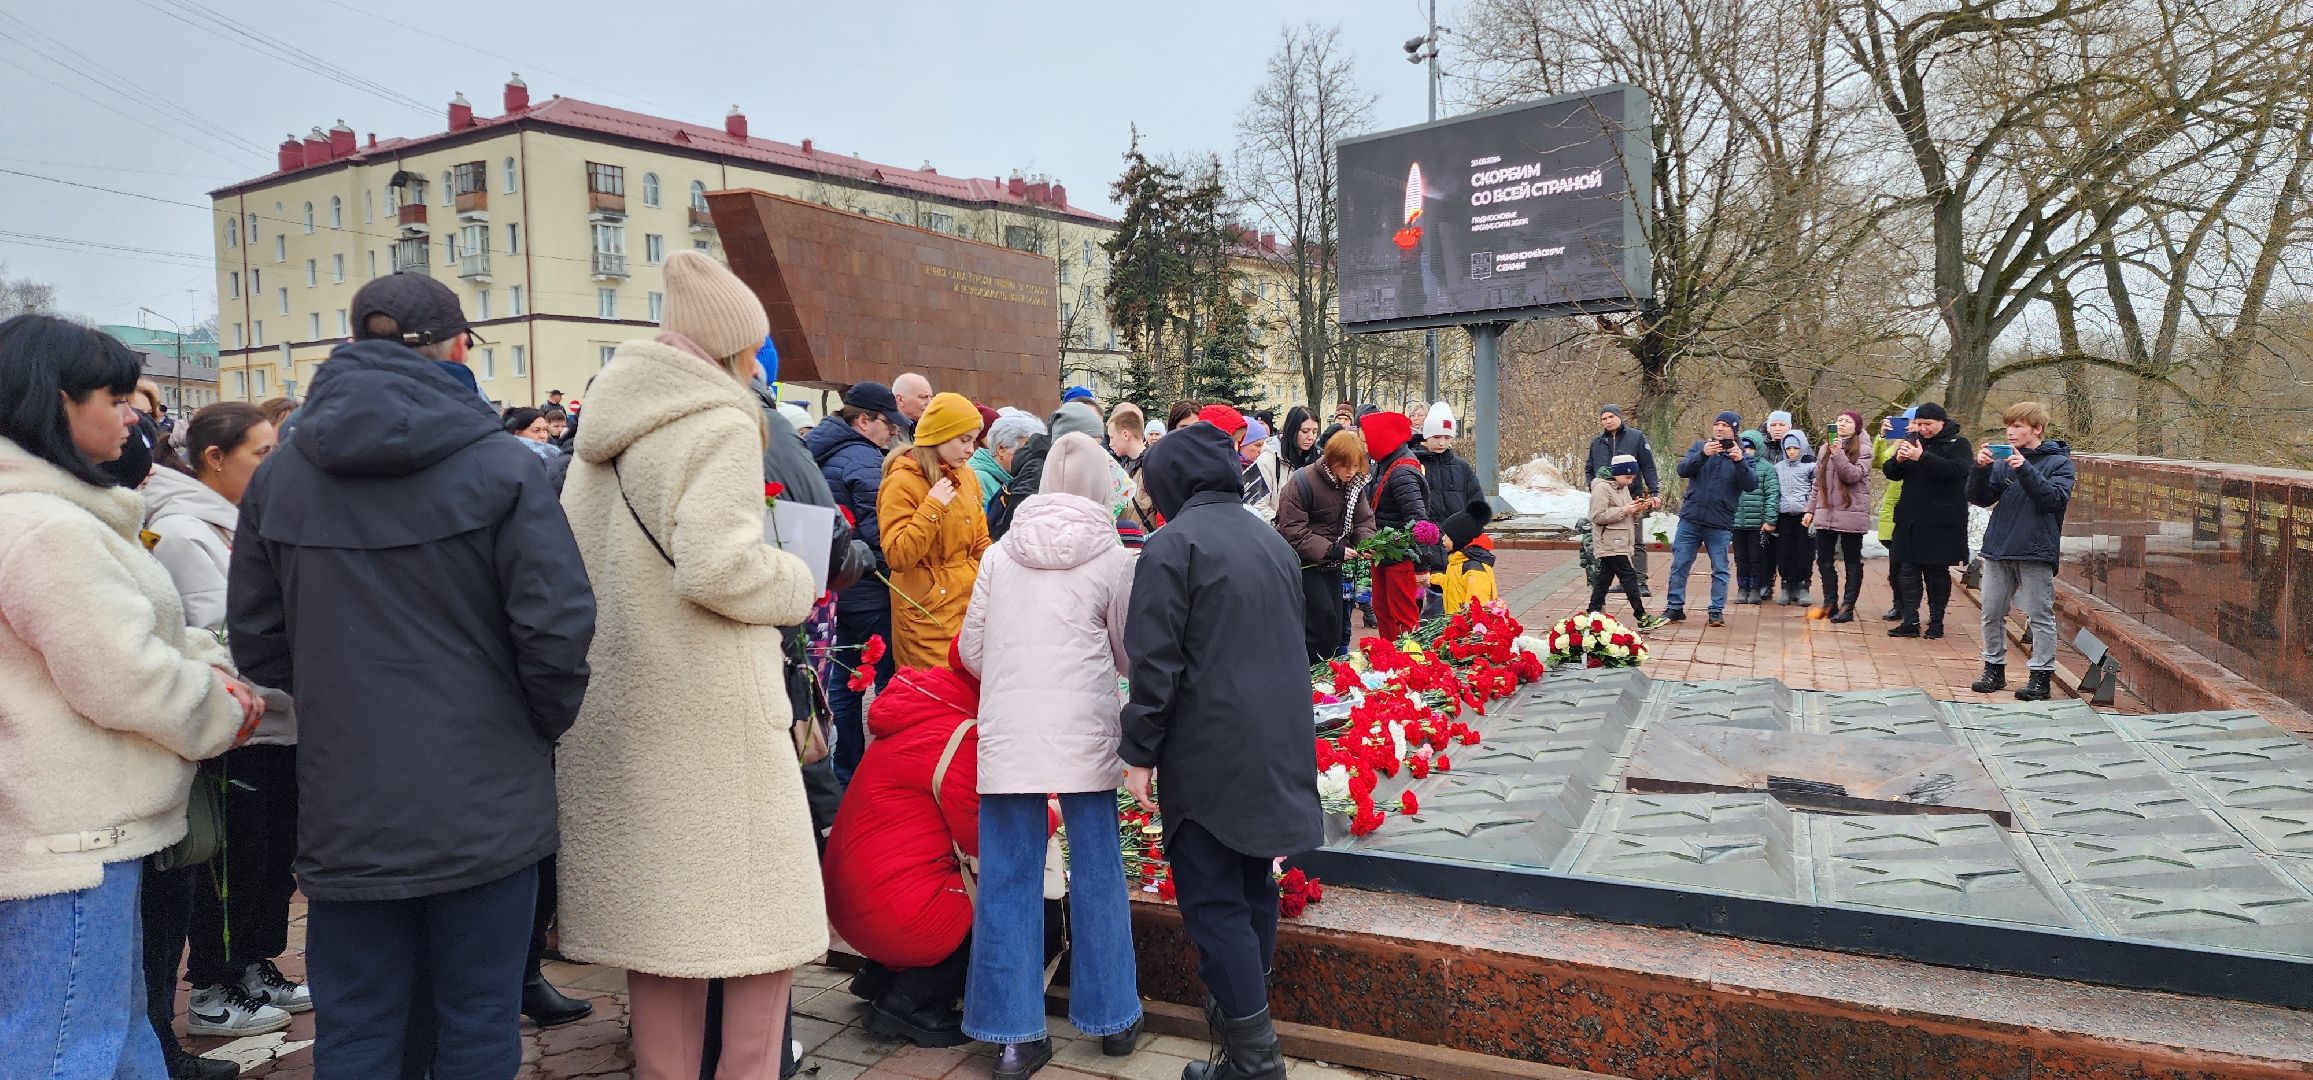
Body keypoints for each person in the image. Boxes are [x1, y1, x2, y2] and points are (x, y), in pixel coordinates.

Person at [227, 275, 595, 1078]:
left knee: (358, 1025)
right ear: (458, 347)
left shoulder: (279, 477)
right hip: (484, 792)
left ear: (352, 343)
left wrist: (343, 691)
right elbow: (557, 632)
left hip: (348, 793)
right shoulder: (504, 467)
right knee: (476, 1019)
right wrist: (529, 724)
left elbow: (257, 645)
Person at [556, 252, 820, 1079]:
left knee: (663, 936)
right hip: (713, 714)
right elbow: (719, 569)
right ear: (737, 347)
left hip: (624, 704)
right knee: (759, 930)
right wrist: (796, 577)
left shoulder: (604, 431)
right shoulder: (720, 422)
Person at [0, 316, 261, 1080]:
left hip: (71, 829)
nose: (133, 416)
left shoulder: (51, 514)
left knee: (112, 1035)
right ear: (54, 402)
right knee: (65, 1043)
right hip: (68, 835)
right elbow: (124, 676)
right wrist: (224, 709)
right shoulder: (45, 527)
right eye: (113, 397)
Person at [1120, 423, 1323, 1080]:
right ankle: (1243, 1054)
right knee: (1250, 884)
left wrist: (1138, 753)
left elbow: (1155, 666)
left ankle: (1256, 1062)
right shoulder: (1267, 540)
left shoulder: (1170, 546)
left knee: (1212, 900)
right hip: (1274, 739)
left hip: (1208, 748)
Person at [959, 433, 1144, 1078]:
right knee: (1097, 870)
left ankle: (1014, 1036)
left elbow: (971, 653)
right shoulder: (1115, 560)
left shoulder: (999, 556)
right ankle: (1114, 1018)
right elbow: (1128, 656)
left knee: (1007, 878)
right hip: (1085, 735)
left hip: (1009, 735)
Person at [144, 404, 308, 1065]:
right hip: (240, 725)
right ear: (215, 458)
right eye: (259, 454)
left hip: (280, 717)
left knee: (269, 857)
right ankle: (212, 985)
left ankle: (251, 965)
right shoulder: (185, 532)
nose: (271, 466)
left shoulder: (237, 524)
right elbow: (216, 631)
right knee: (229, 863)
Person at [822, 645, 986, 1047]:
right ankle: (908, 1001)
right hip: (896, 916)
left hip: (850, 908)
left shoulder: (927, 709)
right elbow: (985, 838)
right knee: (1017, 905)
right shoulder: (961, 733)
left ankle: (880, 974)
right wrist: (1051, 811)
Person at [810, 380, 908, 780]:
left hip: (834, 587)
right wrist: (895, 571)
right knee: (886, 683)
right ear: (865, 421)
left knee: (843, 681)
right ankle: (885, 774)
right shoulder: (864, 460)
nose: (892, 433)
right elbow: (879, 531)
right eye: (888, 424)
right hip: (869, 586)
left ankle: (846, 770)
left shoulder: (818, 453)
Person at [1967, 402, 2075, 700]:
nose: (2010, 432)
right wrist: (1979, 469)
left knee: (2040, 615)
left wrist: (2025, 469)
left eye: (2018, 426)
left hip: (2036, 549)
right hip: (1999, 547)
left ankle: (2040, 677)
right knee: (1991, 612)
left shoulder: (2059, 463)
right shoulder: (2004, 461)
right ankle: (1993, 669)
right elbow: (1979, 498)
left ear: (2037, 429)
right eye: (2009, 426)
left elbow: (2053, 499)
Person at [881, 392, 992, 670]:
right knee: (935, 699)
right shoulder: (903, 480)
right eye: (963, 440)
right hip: (925, 613)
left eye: (974, 440)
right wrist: (932, 506)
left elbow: (980, 542)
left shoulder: (967, 475)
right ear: (940, 436)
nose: (971, 449)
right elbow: (898, 556)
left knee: (969, 694)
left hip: (967, 605)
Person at [1273, 430, 1376, 664]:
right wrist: (1332, 549)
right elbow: (1292, 531)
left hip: (1334, 563)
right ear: (1332, 460)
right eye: (1346, 466)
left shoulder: (1353, 484)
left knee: (1335, 625)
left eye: (1355, 466)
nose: (1351, 472)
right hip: (1305, 564)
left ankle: (1324, 674)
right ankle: (1306, 673)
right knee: (1319, 621)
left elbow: (1363, 520)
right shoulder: (1302, 482)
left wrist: (1365, 543)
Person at [1880, 402, 1973, 639]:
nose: (1923, 429)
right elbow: (1891, 472)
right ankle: (1910, 620)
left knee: (1936, 573)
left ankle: (1936, 621)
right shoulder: (1911, 441)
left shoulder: (1957, 444)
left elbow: (1957, 470)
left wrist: (1922, 457)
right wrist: (1899, 460)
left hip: (1940, 521)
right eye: (1919, 424)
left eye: (1928, 424)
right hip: (1910, 519)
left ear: (1942, 423)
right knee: (1907, 571)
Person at [1665, 411, 1759, 627]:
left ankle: (1716, 611)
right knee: (1680, 563)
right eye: (1716, 424)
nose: (1718, 428)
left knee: (1720, 568)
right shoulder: (1700, 447)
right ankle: (1674, 608)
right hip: (1691, 518)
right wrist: (1703, 455)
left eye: (1724, 425)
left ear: (1734, 430)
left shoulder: (1743, 456)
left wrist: (1740, 461)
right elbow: (1682, 470)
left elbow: (1751, 485)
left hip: (1720, 522)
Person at [1360, 409, 1434, 640]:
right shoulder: (1383, 463)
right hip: (1385, 554)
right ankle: (1389, 659)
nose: (1363, 445)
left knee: (1402, 616)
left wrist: (1421, 566)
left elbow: (1417, 520)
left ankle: (1408, 663)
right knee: (1383, 610)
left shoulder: (1402, 472)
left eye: (1365, 440)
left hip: (1401, 558)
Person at [1415, 403, 1494, 613]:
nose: (1442, 443)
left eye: (1447, 438)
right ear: (1427, 436)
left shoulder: (1461, 467)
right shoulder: (1414, 464)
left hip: (1456, 552)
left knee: (1456, 608)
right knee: (1425, 612)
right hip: (1426, 552)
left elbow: (1477, 506)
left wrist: (1467, 537)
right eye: (1436, 437)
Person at [989, 401, 1101, 540]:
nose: (1099, 452)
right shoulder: (1039, 470)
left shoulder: (1052, 463)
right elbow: (1020, 531)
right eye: (1094, 443)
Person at [1804, 412, 1873, 623]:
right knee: (1824, 559)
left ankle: (1848, 607)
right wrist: (1810, 509)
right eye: (1839, 420)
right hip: (1827, 511)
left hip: (1851, 511)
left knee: (1852, 561)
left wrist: (1838, 453)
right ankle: (1830, 602)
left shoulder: (1864, 449)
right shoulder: (1825, 447)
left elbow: (1852, 475)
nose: (1842, 424)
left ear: (1857, 427)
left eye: (1848, 421)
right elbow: (1818, 482)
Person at [1586, 405, 1660, 594]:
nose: (1607, 421)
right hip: (1605, 496)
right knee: (1609, 539)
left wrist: (1654, 491)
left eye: (1611, 416)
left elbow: (1648, 465)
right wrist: (1593, 487)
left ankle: (1640, 580)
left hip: (1631, 495)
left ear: (1619, 417)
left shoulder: (1636, 437)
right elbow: (1590, 468)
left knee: (1635, 538)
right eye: (1603, 418)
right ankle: (1621, 580)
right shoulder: (1597, 442)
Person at [1588, 455, 1665, 628]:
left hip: (1620, 540)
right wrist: (1624, 510)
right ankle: (1641, 616)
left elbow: (1626, 511)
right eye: (1627, 477)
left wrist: (1637, 508)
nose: (1630, 482)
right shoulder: (1602, 488)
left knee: (1604, 579)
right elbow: (1597, 516)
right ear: (1617, 473)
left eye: (1632, 478)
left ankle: (1591, 612)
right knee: (1629, 577)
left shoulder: (1621, 487)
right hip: (1609, 540)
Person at [1730, 431, 1780, 606]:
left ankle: (1755, 588)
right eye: (1745, 447)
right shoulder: (1734, 465)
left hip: (1757, 523)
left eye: (1751, 447)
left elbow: (1772, 495)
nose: (1748, 451)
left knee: (1757, 557)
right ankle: (1742, 587)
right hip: (1737, 522)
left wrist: (1770, 520)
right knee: (1740, 557)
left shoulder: (1767, 469)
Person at [1874, 408, 1915, 619]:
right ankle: (1898, 604)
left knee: (1911, 571)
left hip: (1915, 514)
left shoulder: (1926, 447)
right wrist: (1882, 436)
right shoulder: (1897, 446)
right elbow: (1878, 462)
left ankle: (1910, 609)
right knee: (1895, 569)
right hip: (1893, 513)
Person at [972, 413, 1045, 522]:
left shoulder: (1016, 475)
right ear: (1001, 449)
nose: (1033, 456)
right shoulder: (977, 479)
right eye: (1027, 449)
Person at [1772, 435, 1816, 607]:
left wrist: (1812, 513)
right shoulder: (1778, 467)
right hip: (1783, 515)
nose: (1791, 452)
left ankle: (1803, 585)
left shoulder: (1811, 467)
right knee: (1784, 552)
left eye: (1795, 448)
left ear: (1802, 448)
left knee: (1804, 552)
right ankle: (1786, 585)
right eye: (1788, 448)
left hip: (1803, 515)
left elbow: (1817, 490)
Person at [504, 405, 572, 492]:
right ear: (517, 433)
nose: (543, 435)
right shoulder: (517, 462)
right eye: (536, 430)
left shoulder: (554, 452)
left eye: (545, 430)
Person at [893, 372, 934, 439]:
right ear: (900, 400)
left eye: (931, 397)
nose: (930, 402)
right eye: (923, 397)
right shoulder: (887, 434)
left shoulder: (931, 430)